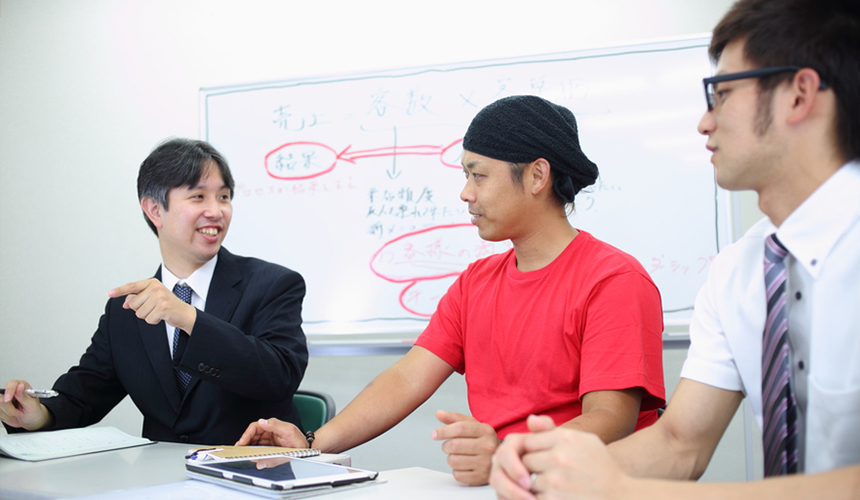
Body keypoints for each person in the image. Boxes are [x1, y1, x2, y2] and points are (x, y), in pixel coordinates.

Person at [490, 1, 860, 498]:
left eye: (722, 94)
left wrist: (624, 490)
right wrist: (544, 466)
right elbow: (679, 442)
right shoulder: (740, 270)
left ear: (799, 95)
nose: (704, 124)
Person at [236, 95, 666, 486]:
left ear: (537, 176)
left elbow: (611, 418)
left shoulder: (614, 280)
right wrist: (311, 444)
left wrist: (508, 455)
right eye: (465, 175)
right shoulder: (476, 282)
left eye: (478, 176)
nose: (466, 193)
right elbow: (407, 378)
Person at [0, 138, 309, 445]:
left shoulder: (273, 284)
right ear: (154, 210)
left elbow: (280, 377)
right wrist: (38, 415)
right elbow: (83, 397)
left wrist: (188, 318)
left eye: (224, 197)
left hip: (252, 474)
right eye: (198, 196)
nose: (216, 211)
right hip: (159, 482)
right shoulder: (129, 308)